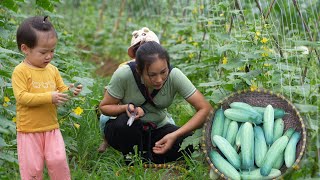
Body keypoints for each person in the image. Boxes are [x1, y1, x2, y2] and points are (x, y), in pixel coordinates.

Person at [99, 41, 212, 164]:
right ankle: (135, 159)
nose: (159, 80)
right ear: (139, 70)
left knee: (190, 142)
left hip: (158, 129)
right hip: (127, 130)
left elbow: (205, 109)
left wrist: (174, 135)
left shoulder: (175, 75)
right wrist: (125, 107)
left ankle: (145, 157)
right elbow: (104, 107)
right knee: (125, 125)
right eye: (152, 75)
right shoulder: (124, 74)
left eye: (163, 72)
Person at [11, 16, 82, 180]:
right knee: (33, 168)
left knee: (58, 161)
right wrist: (49, 97)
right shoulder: (20, 71)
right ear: (25, 49)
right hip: (29, 130)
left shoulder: (52, 70)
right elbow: (21, 97)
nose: (49, 56)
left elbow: (61, 89)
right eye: (43, 52)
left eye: (52, 50)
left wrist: (71, 90)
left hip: (51, 127)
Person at [97, 27, 176, 153]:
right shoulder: (124, 70)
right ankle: (106, 140)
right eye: (140, 50)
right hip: (128, 112)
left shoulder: (162, 71)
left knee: (170, 122)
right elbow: (110, 95)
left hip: (154, 114)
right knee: (104, 119)